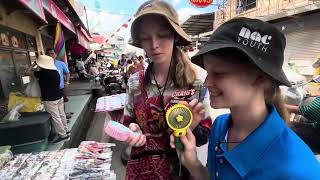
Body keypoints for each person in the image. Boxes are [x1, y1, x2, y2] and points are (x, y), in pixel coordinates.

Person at [170, 17, 320, 179]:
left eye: (219, 73)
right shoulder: (220, 127)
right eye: (208, 72)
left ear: (260, 78)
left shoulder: (298, 170)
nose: (206, 83)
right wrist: (192, 163)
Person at [123, 0, 212, 179]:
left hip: (180, 171)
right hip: (141, 171)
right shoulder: (134, 82)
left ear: (174, 36)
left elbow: (205, 135)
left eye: (162, 35)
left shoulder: (196, 81)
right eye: (146, 37)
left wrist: (191, 127)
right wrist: (132, 130)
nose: (154, 44)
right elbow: (128, 120)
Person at [26, 55, 70, 144]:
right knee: (61, 114)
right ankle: (66, 130)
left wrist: (34, 64)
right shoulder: (56, 72)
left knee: (55, 117)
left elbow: (27, 72)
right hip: (59, 96)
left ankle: (63, 135)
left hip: (50, 99)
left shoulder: (42, 73)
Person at [46, 49, 73, 120]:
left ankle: (63, 116)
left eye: (52, 53)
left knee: (62, 103)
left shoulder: (61, 64)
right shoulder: (44, 65)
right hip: (49, 89)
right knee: (54, 106)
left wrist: (67, 81)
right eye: (48, 54)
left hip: (60, 87)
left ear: (56, 55)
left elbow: (67, 73)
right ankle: (60, 119)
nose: (51, 55)